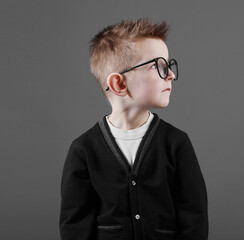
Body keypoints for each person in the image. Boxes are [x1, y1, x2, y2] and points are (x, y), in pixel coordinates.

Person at [59, 18, 208, 240]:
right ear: (119, 84)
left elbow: (194, 217)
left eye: (168, 65)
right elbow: (75, 224)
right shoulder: (84, 149)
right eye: (158, 66)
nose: (171, 75)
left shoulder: (176, 143)